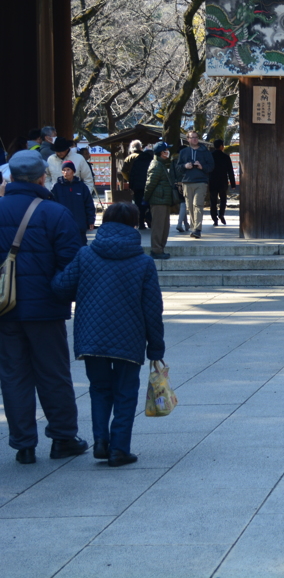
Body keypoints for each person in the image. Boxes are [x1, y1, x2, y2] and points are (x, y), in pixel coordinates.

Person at [51, 201, 163, 468]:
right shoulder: (143, 263)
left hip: (91, 337)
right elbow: (152, 311)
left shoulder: (85, 255)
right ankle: (119, 449)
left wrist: (54, 268)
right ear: (135, 225)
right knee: (125, 392)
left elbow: (60, 288)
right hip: (129, 338)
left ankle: (100, 442)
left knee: (99, 389)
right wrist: (156, 349)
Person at [0, 150, 88, 464]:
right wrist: (59, 293)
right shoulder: (55, 213)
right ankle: (63, 437)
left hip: (4, 308)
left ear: (10, 177)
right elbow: (72, 263)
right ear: (42, 177)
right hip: (46, 309)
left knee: (13, 374)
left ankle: (23, 444)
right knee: (53, 373)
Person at [176, 131, 213, 239]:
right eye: (192, 138)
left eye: (196, 137)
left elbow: (211, 166)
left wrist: (202, 167)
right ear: (188, 139)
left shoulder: (205, 151)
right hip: (187, 181)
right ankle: (193, 228)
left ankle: (197, 229)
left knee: (198, 205)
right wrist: (185, 166)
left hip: (201, 181)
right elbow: (178, 168)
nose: (194, 139)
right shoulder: (183, 152)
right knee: (190, 206)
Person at [143, 142, 175, 260]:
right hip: (158, 200)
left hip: (163, 200)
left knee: (164, 226)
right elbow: (150, 184)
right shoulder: (156, 165)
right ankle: (156, 250)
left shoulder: (161, 164)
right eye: (166, 150)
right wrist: (146, 199)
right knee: (158, 226)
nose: (168, 152)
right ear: (162, 152)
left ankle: (160, 249)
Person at [51, 160, 95, 246]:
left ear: (73, 171)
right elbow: (52, 206)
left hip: (80, 224)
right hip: (63, 225)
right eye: (64, 170)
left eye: (68, 169)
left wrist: (91, 220)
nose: (66, 172)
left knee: (81, 247)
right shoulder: (57, 188)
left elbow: (89, 204)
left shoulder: (81, 187)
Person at [209, 139, 236, 227]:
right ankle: (221, 214)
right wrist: (233, 183)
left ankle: (214, 218)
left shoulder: (210, 156)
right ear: (221, 146)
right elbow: (230, 171)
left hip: (212, 181)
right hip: (223, 181)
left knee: (213, 200)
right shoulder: (226, 157)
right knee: (223, 199)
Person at [128, 143, 154, 229]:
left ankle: (141, 223)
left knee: (139, 205)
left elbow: (132, 175)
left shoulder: (137, 161)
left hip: (138, 187)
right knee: (150, 204)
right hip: (149, 187)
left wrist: (131, 186)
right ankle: (149, 219)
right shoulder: (152, 162)